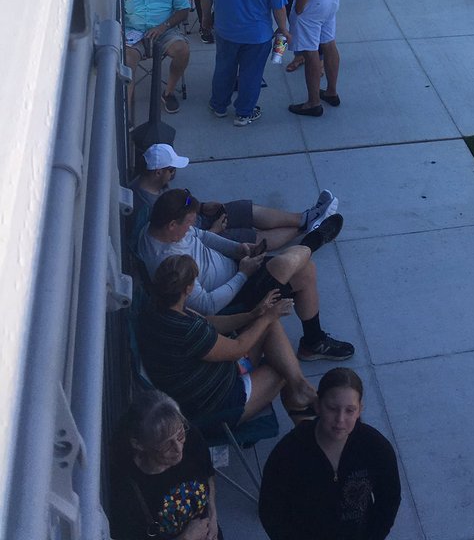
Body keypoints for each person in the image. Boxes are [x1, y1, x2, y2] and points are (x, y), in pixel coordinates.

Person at [137, 188, 354, 362]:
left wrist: (237, 249)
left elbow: (201, 236)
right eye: (188, 224)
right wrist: (243, 274)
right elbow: (207, 306)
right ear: (173, 225)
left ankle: (313, 343)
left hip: (238, 269)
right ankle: (315, 239)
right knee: (284, 265)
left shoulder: (160, 228)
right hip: (233, 298)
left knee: (306, 271)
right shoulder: (169, 265)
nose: (191, 227)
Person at [139, 255, 318, 427]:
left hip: (213, 374)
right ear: (188, 289)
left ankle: (301, 388)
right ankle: (303, 421)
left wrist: (253, 315)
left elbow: (209, 321)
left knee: (269, 326)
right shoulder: (188, 331)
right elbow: (238, 349)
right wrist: (268, 317)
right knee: (281, 371)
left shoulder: (158, 307)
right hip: (216, 403)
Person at [258, 368, 401, 540]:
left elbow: (389, 499)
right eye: (332, 408)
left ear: (360, 410)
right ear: (318, 405)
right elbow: (271, 509)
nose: (340, 420)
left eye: (350, 410)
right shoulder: (289, 452)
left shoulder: (376, 448)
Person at [129, 140, 339, 248]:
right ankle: (307, 228)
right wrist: (214, 231)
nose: (174, 174)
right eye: (171, 170)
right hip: (204, 236)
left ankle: (306, 218)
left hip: (199, 218)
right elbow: (180, 241)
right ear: (158, 172)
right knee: (252, 238)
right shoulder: (148, 208)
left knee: (241, 208)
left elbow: (181, 199)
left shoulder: (153, 184)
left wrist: (200, 206)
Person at [200, 0, 288, 126]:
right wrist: (283, 30)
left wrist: (206, 18)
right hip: (258, 37)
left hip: (225, 31)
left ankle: (219, 106)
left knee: (223, 68)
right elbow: (278, 7)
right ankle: (244, 113)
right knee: (252, 74)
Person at [107, 389, 219, 540]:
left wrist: (213, 515)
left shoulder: (191, 437)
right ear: (139, 444)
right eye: (166, 445)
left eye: (180, 435)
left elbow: (208, 474)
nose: (179, 449)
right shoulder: (127, 490)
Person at [124, 0, 191, 114]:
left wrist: (163, 26)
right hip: (134, 33)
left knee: (182, 50)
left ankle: (167, 92)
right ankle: (126, 112)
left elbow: (183, 9)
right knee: (126, 60)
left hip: (164, 30)